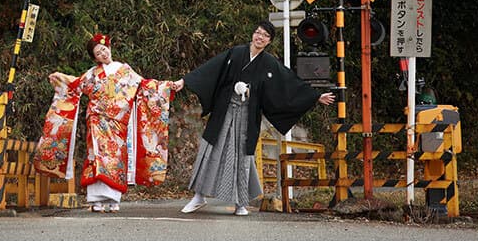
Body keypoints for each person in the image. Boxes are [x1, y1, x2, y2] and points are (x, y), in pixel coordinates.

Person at [172, 20, 334, 216]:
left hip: (247, 115)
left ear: (269, 41)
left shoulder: (269, 63)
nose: (260, 37)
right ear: (253, 34)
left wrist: (315, 96)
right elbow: (211, 69)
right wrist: (184, 81)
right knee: (212, 149)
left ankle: (240, 202)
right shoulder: (236, 53)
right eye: (258, 33)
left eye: (265, 35)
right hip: (225, 110)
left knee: (242, 156)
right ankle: (199, 196)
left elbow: (289, 84)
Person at [33, 34, 178, 212]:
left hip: (118, 123)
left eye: (103, 49)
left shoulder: (125, 70)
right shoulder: (92, 74)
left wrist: (166, 86)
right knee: (96, 155)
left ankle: (113, 199)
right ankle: (96, 200)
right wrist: (60, 78)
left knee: (115, 157)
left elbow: (144, 85)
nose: (103, 54)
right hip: (97, 119)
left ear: (109, 47)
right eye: (98, 53)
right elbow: (76, 84)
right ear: (95, 58)